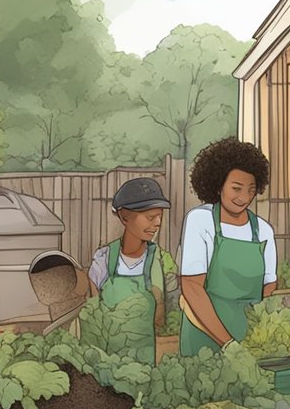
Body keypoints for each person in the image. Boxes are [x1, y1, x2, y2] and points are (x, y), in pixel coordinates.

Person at [178, 137, 277, 356]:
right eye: (236, 188)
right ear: (218, 184)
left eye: (251, 190)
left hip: (248, 340)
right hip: (203, 337)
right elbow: (192, 287)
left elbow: (269, 287)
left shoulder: (263, 230)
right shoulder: (200, 221)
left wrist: (255, 337)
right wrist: (227, 343)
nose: (244, 197)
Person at [85, 177, 181, 365]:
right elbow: (92, 318)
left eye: (160, 216)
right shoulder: (103, 260)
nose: (158, 223)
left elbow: (172, 318)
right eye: (150, 217)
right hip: (106, 363)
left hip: (149, 364)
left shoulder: (162, 262)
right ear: (124, 216)